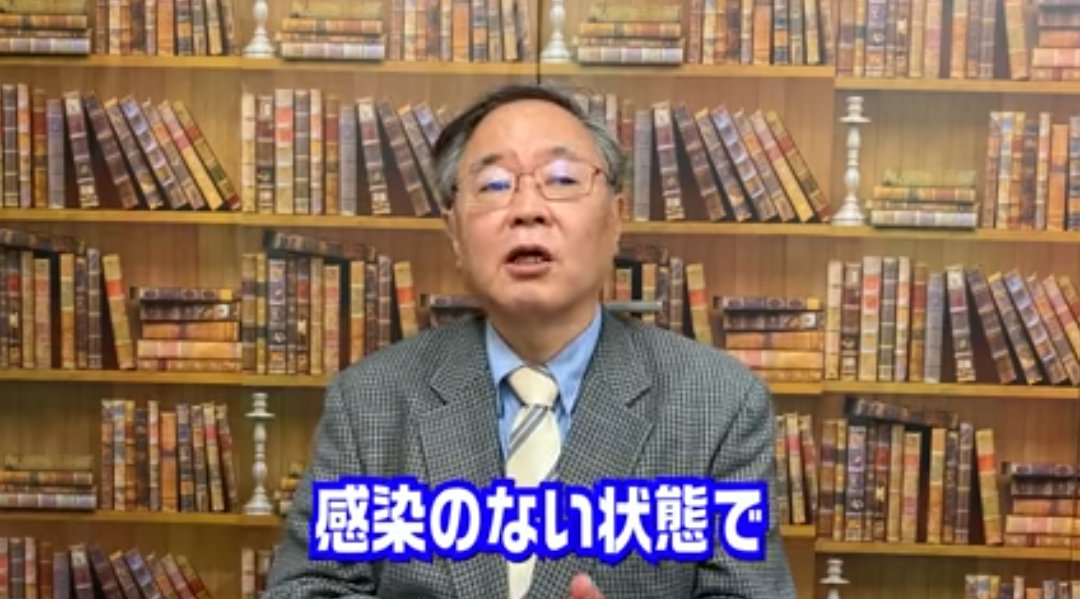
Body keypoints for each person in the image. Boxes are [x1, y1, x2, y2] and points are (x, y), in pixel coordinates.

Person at [264, 83, 796, 599]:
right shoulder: (370, 401)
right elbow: (310, 588)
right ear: (454, 233)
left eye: (561, 179)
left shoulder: (719, 402)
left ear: (615, 219)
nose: (527, 209)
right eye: (494, 185)